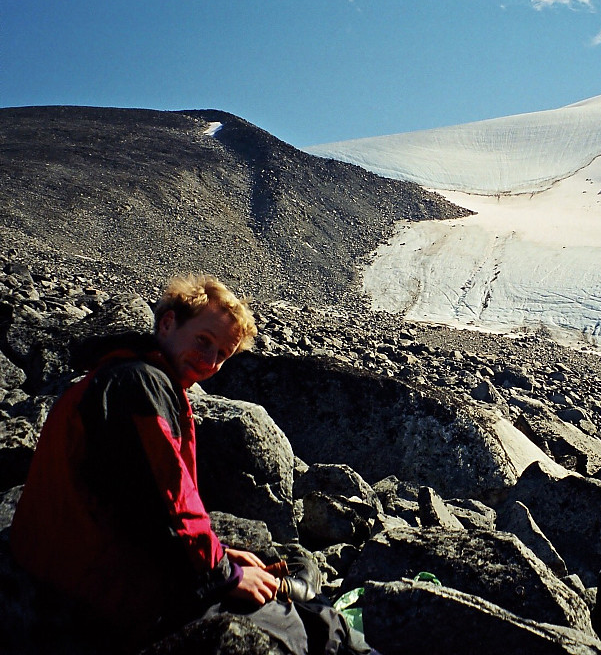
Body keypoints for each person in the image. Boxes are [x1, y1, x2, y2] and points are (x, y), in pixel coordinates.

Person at [10, 274, 350, 653]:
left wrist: (218, 554)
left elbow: (141, 508)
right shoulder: (139, 386)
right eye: (203, 341)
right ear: (168, 323)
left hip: (64, 571)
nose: (209, 361)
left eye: (222, 354)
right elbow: (169, 499)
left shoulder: (120, 374)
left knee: (276, 575)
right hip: (95, 597)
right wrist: (223, 574)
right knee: (289, 620)